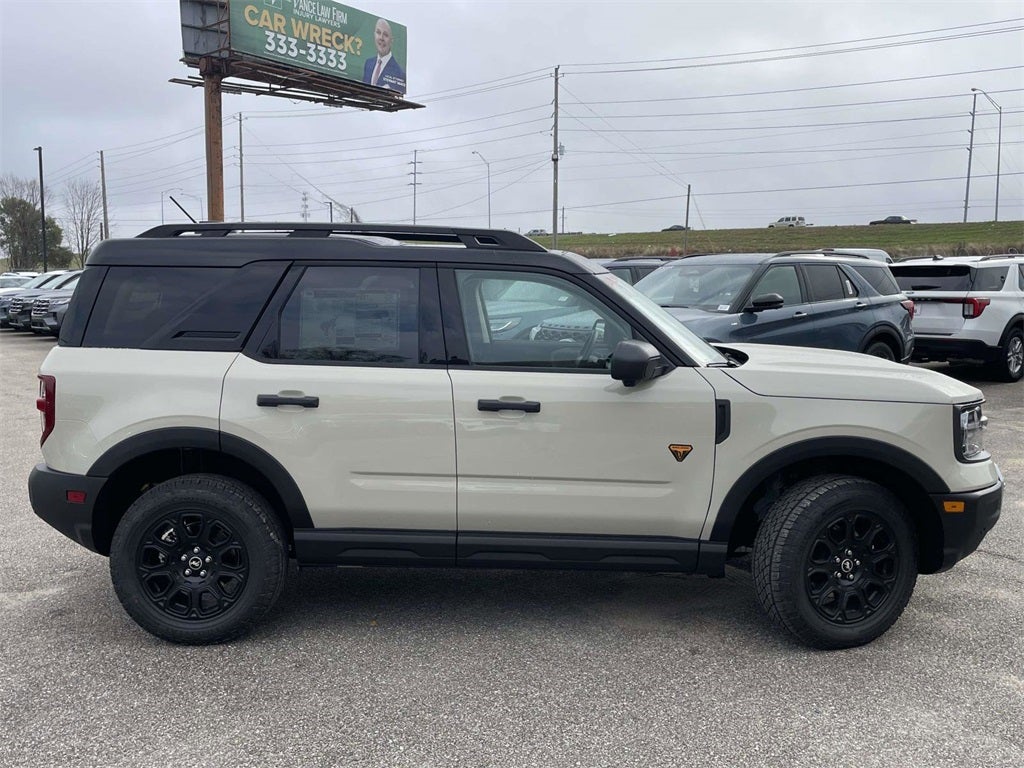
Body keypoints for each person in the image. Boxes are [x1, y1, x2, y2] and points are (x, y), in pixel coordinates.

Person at [362, 18, 406, 94]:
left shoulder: (400, 74)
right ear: (374, 34)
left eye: (385, 35)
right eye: (378, 32)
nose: (381, 38)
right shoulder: (368, 63)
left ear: (391, 40)